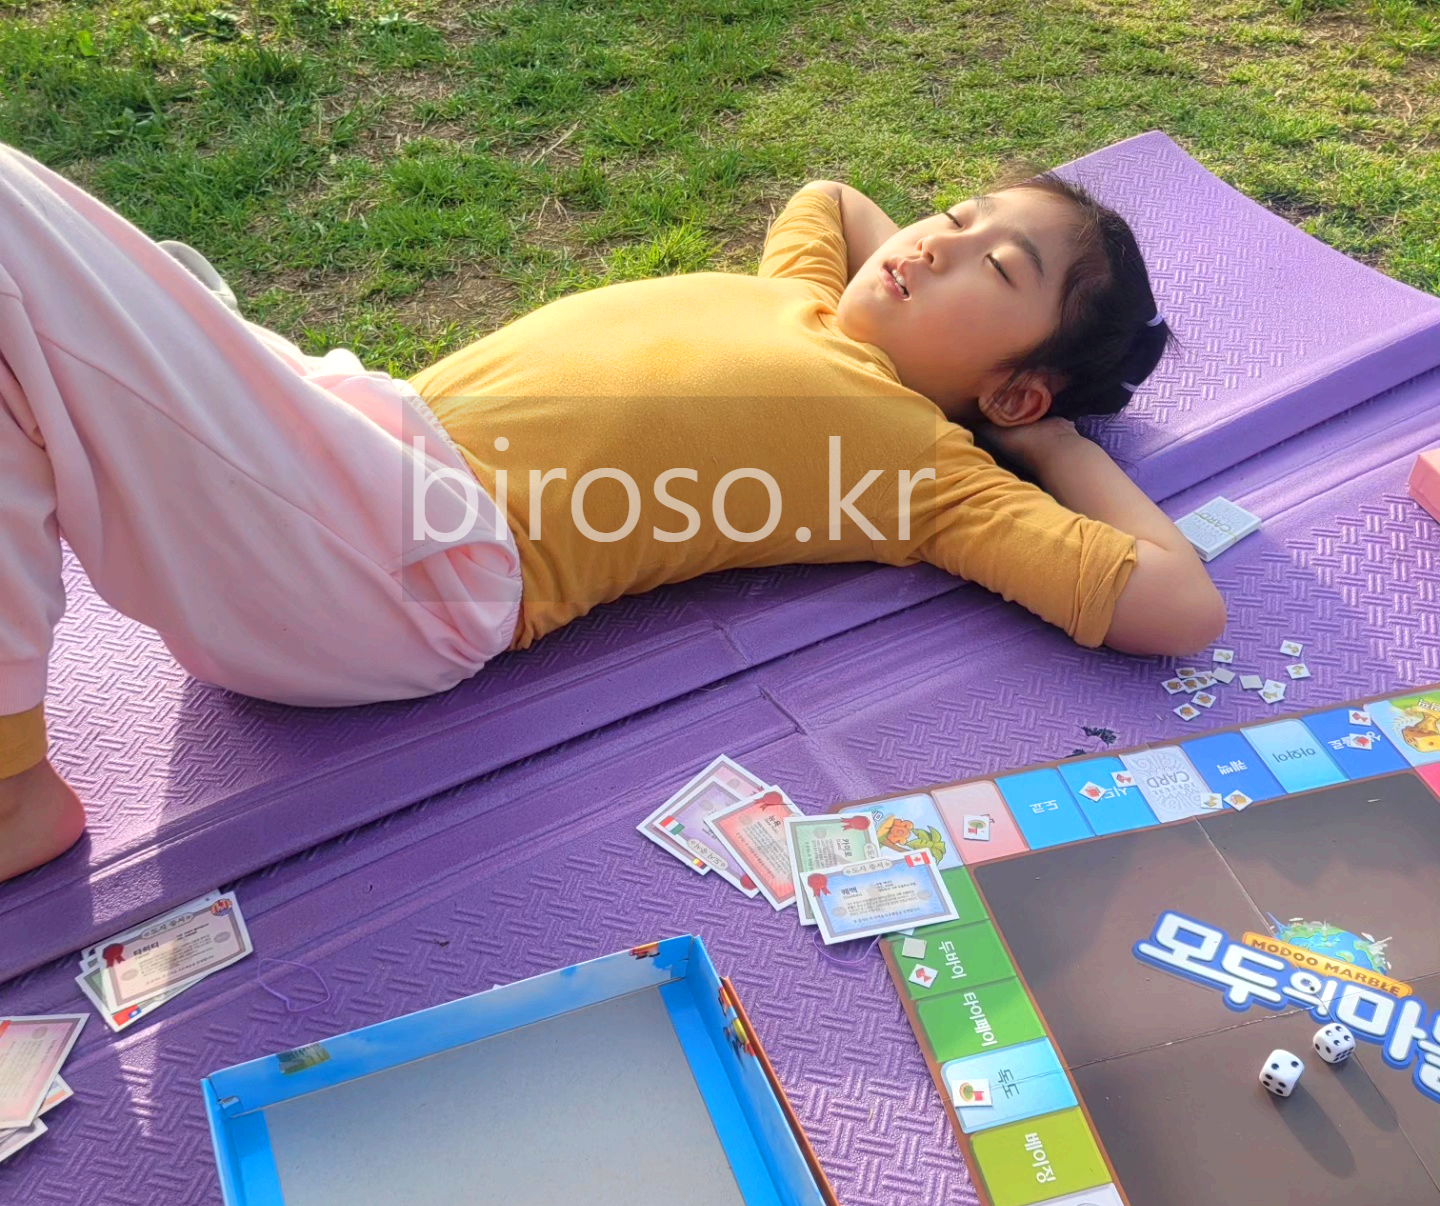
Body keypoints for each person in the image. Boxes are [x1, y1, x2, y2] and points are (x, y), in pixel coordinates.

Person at [0, 143, 1224, 883]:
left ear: (1013, 389)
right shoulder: (802, 298)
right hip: (351, 456)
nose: (928, 245)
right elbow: (831, 196)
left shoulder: (918, 464)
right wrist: (948, 267)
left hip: (403, 559)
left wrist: (1043, 441)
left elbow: (1179, 606)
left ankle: (13, 793)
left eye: (994, 270)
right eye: (952, 218)